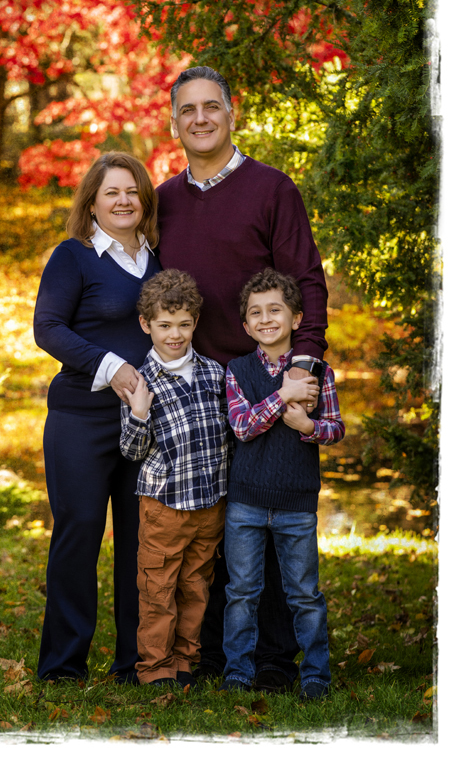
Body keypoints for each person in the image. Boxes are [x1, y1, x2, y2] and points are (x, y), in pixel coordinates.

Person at [156, 65, 329, 692]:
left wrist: (304, 363)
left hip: (266, 380)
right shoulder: (164, 200)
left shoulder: (272, 189)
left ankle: (278, 663)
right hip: (196, 389)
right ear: (174, 122)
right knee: (210, 527)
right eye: (187, 110)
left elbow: (306, 279)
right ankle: (212, 655)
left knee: (275, 517)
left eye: (211, 107)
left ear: (233, 114)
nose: (199, 119)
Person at [33, 151, 161, 684]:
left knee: (139, 541)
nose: (123, 201)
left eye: (132, 191)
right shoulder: (74, 256)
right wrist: (114, 369)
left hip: (144, 421)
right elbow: (49, 328)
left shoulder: (159, 259)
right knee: (79, 533)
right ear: (92, 201)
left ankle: (133, 663)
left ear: (144, 200)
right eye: (112, 192)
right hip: (80, 419)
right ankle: (63, 665)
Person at [221, 269, 344, 698]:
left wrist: (306, 424)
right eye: (255, 312)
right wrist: (284, 396)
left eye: (275, 310)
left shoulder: (319, 373)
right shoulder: (236, 371)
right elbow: (242, 426)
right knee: (241, 592)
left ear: (296, 319)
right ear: (246, 325)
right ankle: (237, 670)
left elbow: (335, 429)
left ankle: (314, 675)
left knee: (304, 593)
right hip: (246, 503)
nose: (265, 318)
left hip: (296, 503)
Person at [119, 269, 228, 687]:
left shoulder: (214, 374)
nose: (175, 334)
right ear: (147, 325)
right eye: (165, 325)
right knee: (158, 589)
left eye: (184, 324)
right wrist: (140, 412)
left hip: (209, 504)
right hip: (165, 506)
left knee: (196, 588)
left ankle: (185, 663)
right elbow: (131, 452)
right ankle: (155, 669)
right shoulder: (139, 383)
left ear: (195, 323)